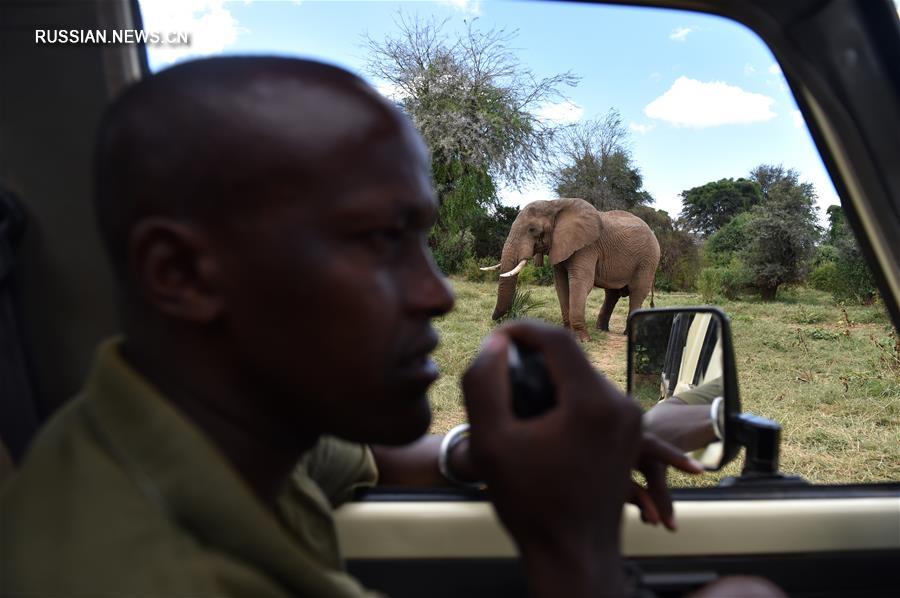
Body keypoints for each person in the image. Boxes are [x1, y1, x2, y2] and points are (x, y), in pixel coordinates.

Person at [0, 56, 770, 597]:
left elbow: (370, 457)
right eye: (376, 241)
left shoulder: (214, 437)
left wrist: (499, 447)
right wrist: (577, 555)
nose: (437, 295)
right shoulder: (150, 577)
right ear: (182, 274)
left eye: (420, 243)